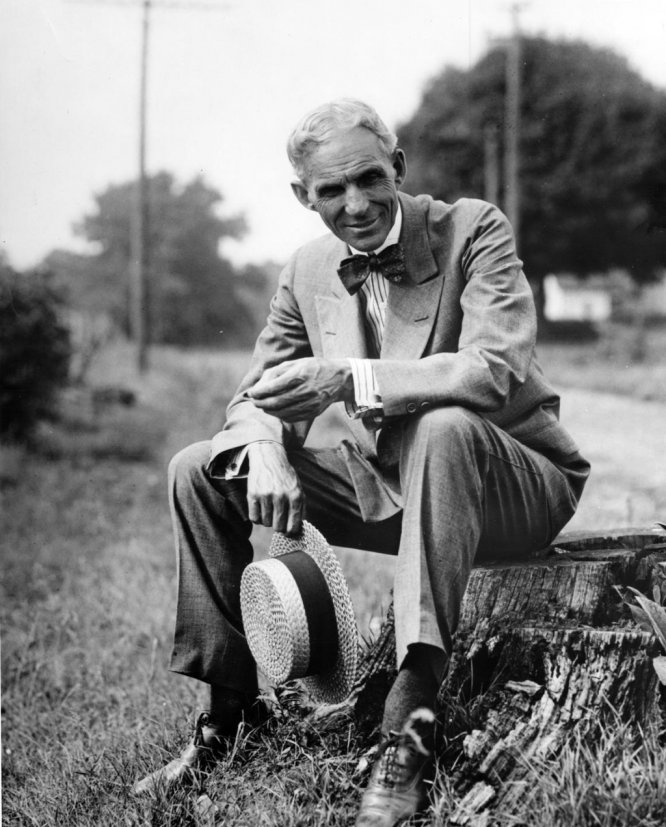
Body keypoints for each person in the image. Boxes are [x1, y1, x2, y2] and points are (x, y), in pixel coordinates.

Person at [134, 99, 589, 826]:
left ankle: (410, 721)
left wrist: (347, 379)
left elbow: (493, 369)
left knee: (443, 425)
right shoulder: (306, 268)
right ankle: (230, 715)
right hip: (392, 488)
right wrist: (265, 446)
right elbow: (256, 394)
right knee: (200, 468)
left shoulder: (473, 228)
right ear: (303, 196)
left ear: (398, 167)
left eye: (370, 178)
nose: (356, 204)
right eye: (331, 190)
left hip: (512, 484)